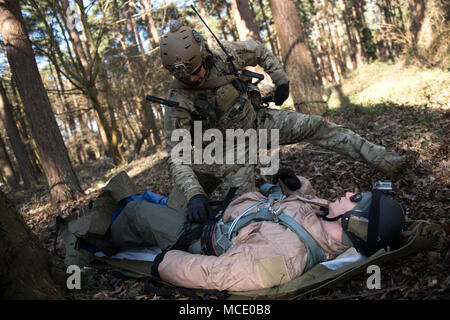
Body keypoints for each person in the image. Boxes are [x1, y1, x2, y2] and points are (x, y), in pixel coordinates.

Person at [159, 20, 414, 225]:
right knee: (245, 210)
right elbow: (176, 154)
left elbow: (259, 49)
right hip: (229, 147)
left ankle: (384, 160)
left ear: (203, 54)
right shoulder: (178, 99)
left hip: (259, 122)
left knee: (318, 126)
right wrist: (194, 194)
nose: (192, 80)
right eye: (184, 76)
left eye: (195, 72)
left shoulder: (226, 55)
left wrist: (281, 80)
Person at [106, 169, 405, 292]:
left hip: (198, 234)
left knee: (135, 212)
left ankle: (99, 240)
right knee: (184, 180)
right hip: (225, 210)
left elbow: (219, 274)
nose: (350, 193)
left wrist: (166, 264)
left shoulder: (286, 256)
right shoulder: (326, 216)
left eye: (356, 200)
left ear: (356, 223)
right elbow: (299, 204)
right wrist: (298, 186)